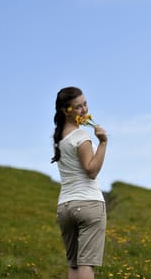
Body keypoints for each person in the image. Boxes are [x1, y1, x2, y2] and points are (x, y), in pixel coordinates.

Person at [51, 86, 108, 279]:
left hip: (65, 207)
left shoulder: (58, 138)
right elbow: (91, 170)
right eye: (78, 107)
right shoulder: (81, 137)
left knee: (74, 266)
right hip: (88, 203)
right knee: (86, 266)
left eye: (85, 104)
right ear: (65, 111)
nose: (84, 110)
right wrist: (102, 143)